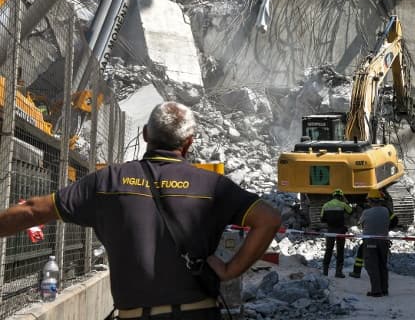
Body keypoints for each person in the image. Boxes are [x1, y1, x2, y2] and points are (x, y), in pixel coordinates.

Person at [0, 102, 281, 319]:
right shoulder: (212, 186)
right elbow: (268, 220)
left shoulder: (108, 181)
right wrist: (231, 270)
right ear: (189, 142)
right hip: (199, 312)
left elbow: (35, 210)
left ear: (146, 134)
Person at [359, 189, 390, 297]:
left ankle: (376, 291)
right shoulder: (386, 211)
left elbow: (361, 224)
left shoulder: (366, 212)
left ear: (370, 201)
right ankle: (384, 289)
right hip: (384, 241)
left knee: (372, 265)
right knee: (382, 264)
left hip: (370, 241)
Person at [320, 188, 352, 278]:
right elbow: (351, 211)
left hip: (330, 231)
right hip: (341, 231)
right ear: (341, 197)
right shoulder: (343, 204)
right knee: (340, 251)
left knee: (328, 250)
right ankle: (338, 272)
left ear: (333, 196)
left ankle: (325, 272)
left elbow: (322, 219)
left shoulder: (326, 205)